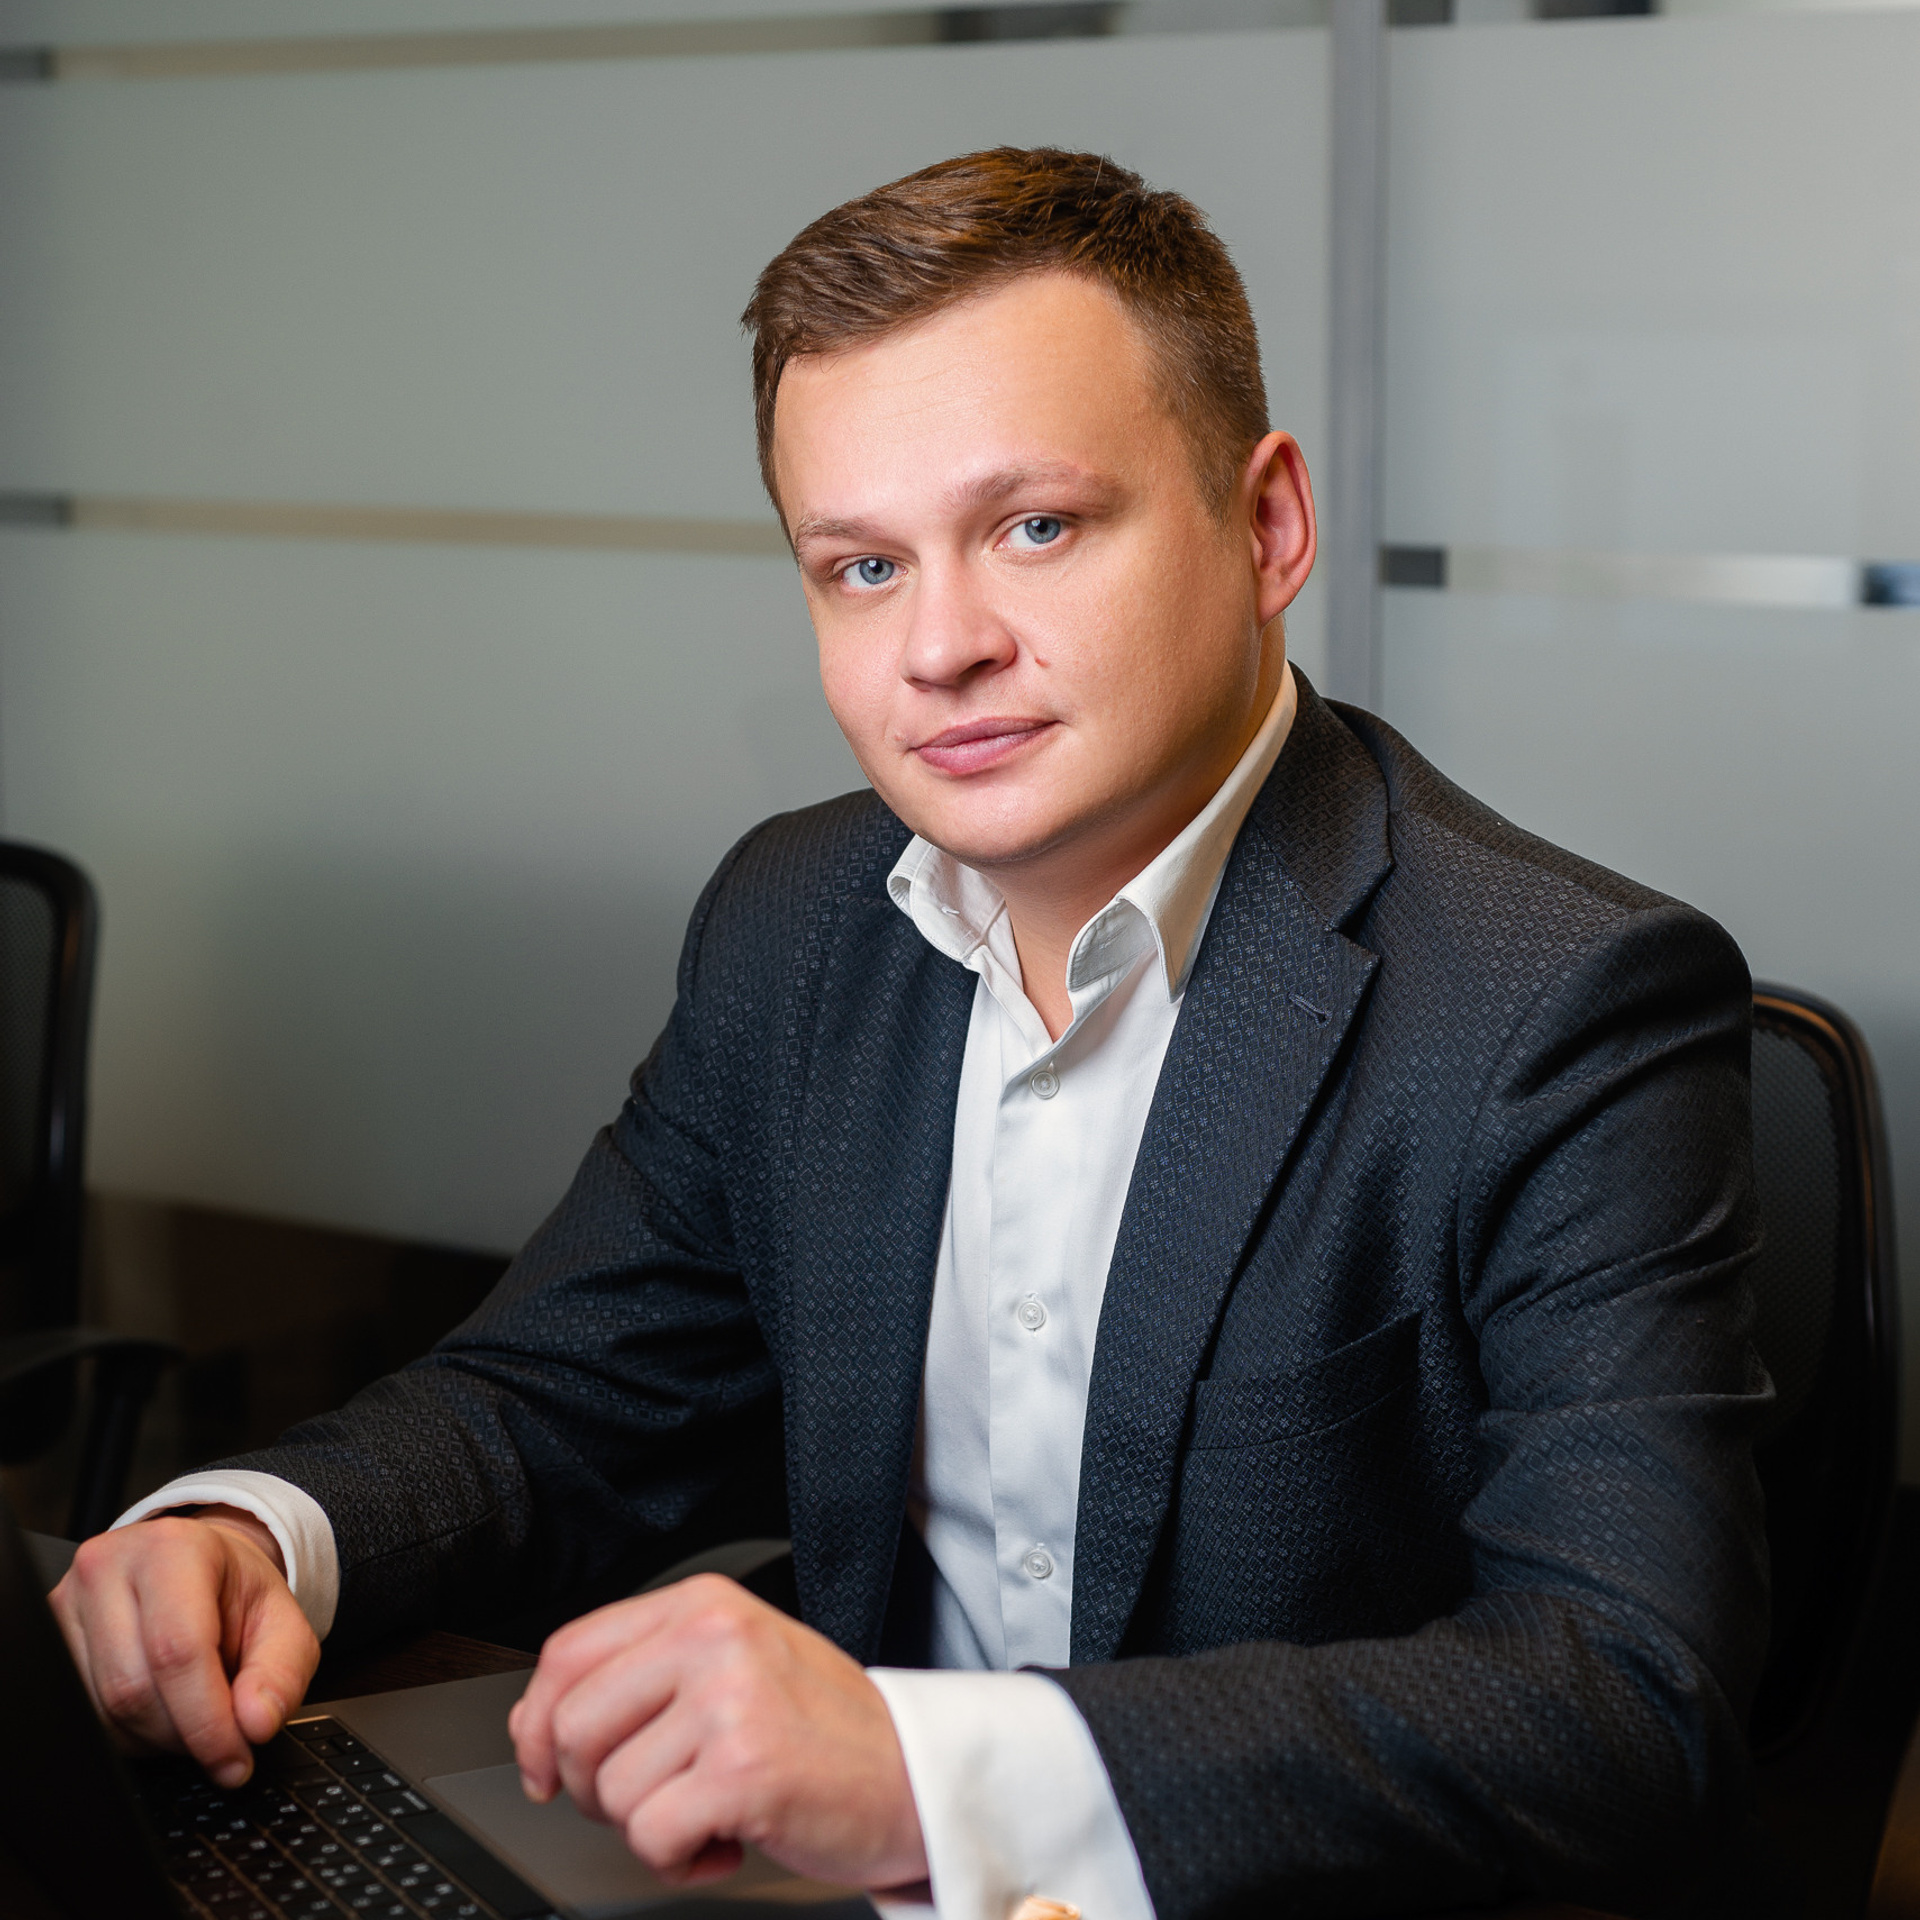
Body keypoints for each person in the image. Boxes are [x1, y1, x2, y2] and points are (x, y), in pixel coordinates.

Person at [52, 148, 1769, 1920]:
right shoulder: (796, 922)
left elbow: (1626, 1699)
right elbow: (561, 1399)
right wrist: (257, 1534)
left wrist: (936, 1778)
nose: (940, 646)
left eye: (1036, 526)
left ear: (1266, 527)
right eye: (862, 567)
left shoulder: (1555, 1004)